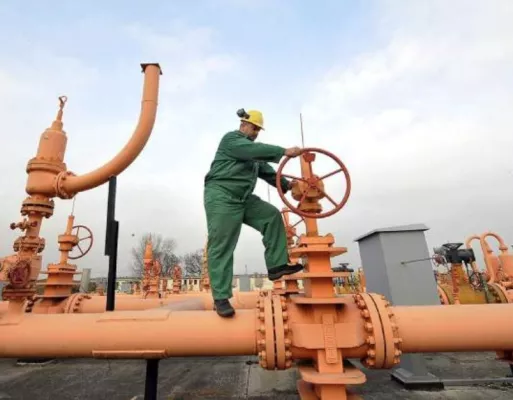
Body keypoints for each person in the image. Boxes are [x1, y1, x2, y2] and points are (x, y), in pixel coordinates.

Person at [204, 108, 304, 317]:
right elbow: (254, 151)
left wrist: (288, 186)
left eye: (258, 129)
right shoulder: (231, 140)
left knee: (271, 216)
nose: (256, 132)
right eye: (254, 127)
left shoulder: (253, 154)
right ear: (243, 124)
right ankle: (221, 298)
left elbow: (268, 172)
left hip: (244, 199)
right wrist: (284, 151)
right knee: (222, 245)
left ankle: (277, 265)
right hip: (222, 196)